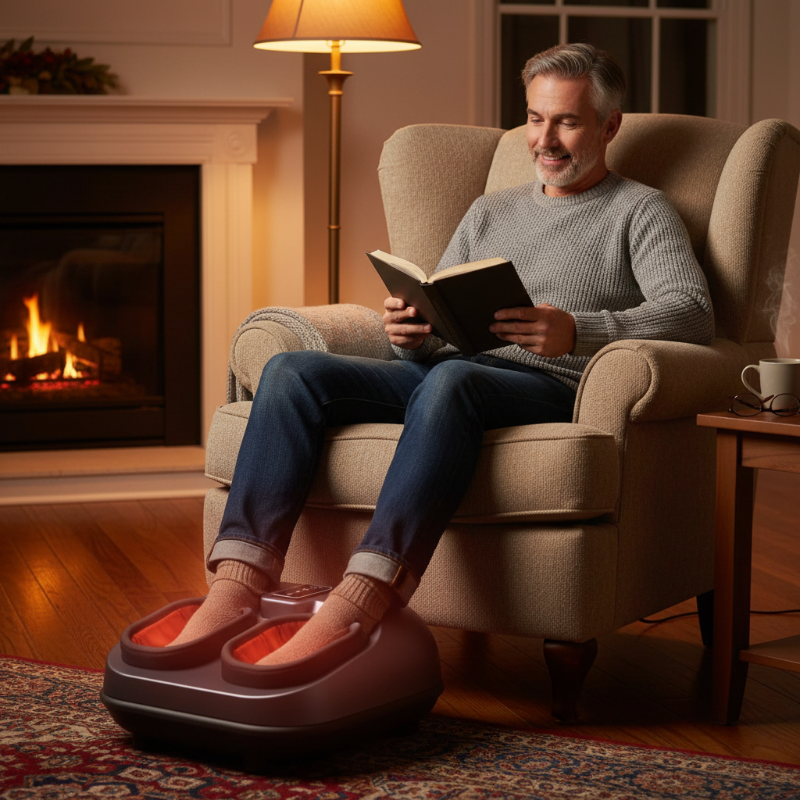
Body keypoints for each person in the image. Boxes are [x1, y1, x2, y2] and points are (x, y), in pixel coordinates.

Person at [169, 43, 714, 663]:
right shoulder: (491, 210)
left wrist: (579, 332)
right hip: (450, 378)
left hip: (550, 389)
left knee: (452, 378)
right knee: (292, 371)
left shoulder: (640, 211)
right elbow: (442, 313)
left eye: (566, 120)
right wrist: (412, 331)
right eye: (536, 119)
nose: (546, 139)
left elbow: (693, 312)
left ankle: (364, 596)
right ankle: (237, 585)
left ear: (609, 125)